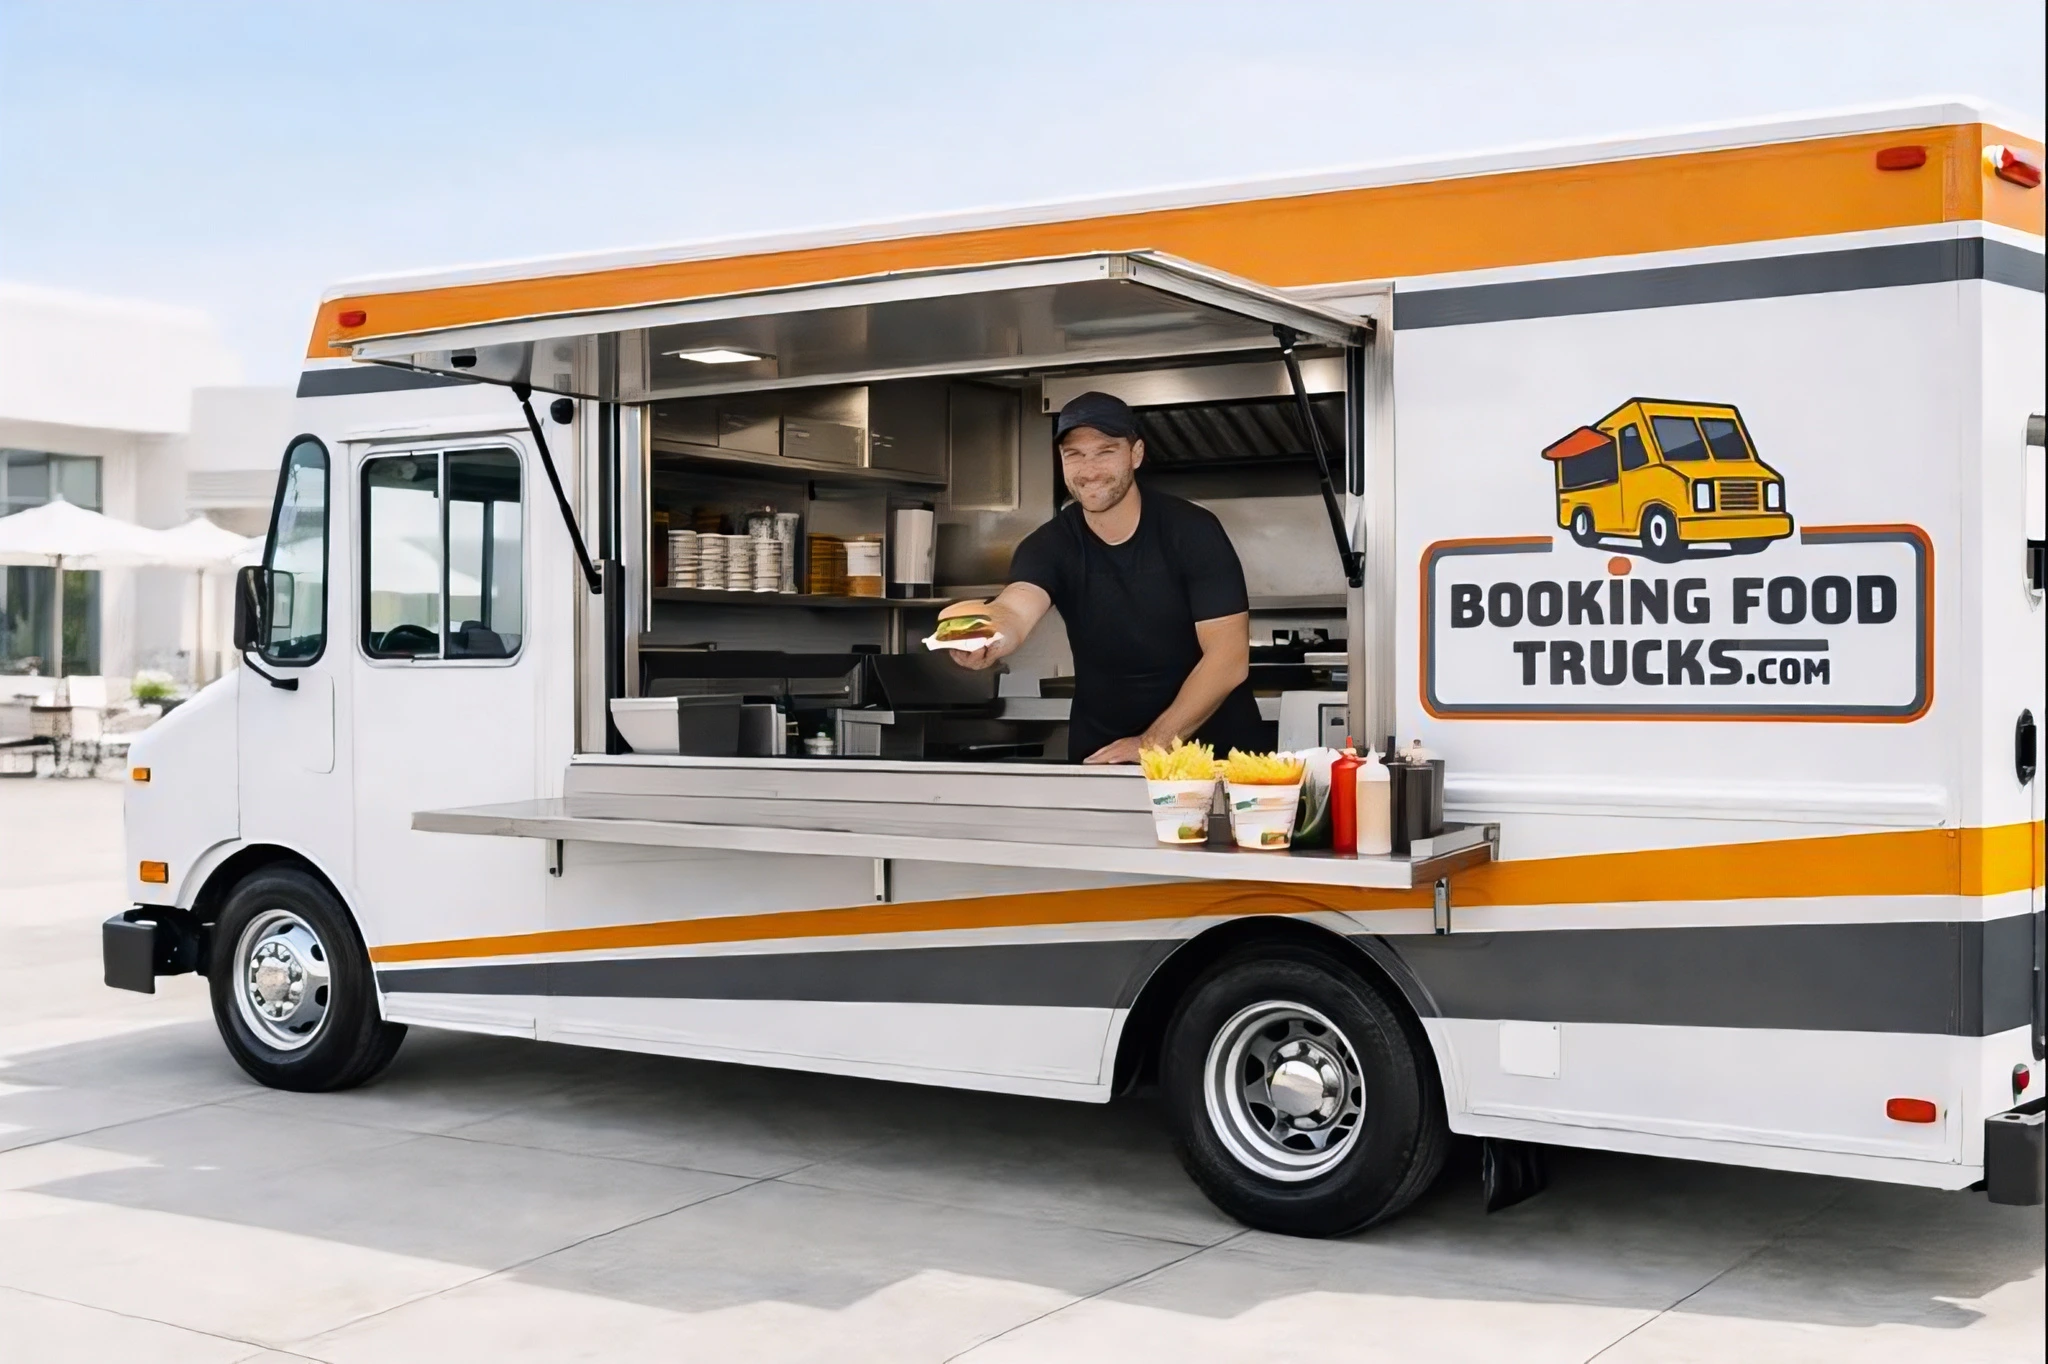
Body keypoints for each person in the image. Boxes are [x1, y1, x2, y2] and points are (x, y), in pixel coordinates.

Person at [948, 391, 1262, 764]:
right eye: (1074, 455)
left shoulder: (1192, 532)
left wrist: (1151, 743)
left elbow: (1228, 657)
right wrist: (988, 638)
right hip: (1104, 757)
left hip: (1215, 756)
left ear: (1136, 454)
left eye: (1105, 451)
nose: (1089, 469)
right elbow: (1015, 608)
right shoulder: (1050, 545)